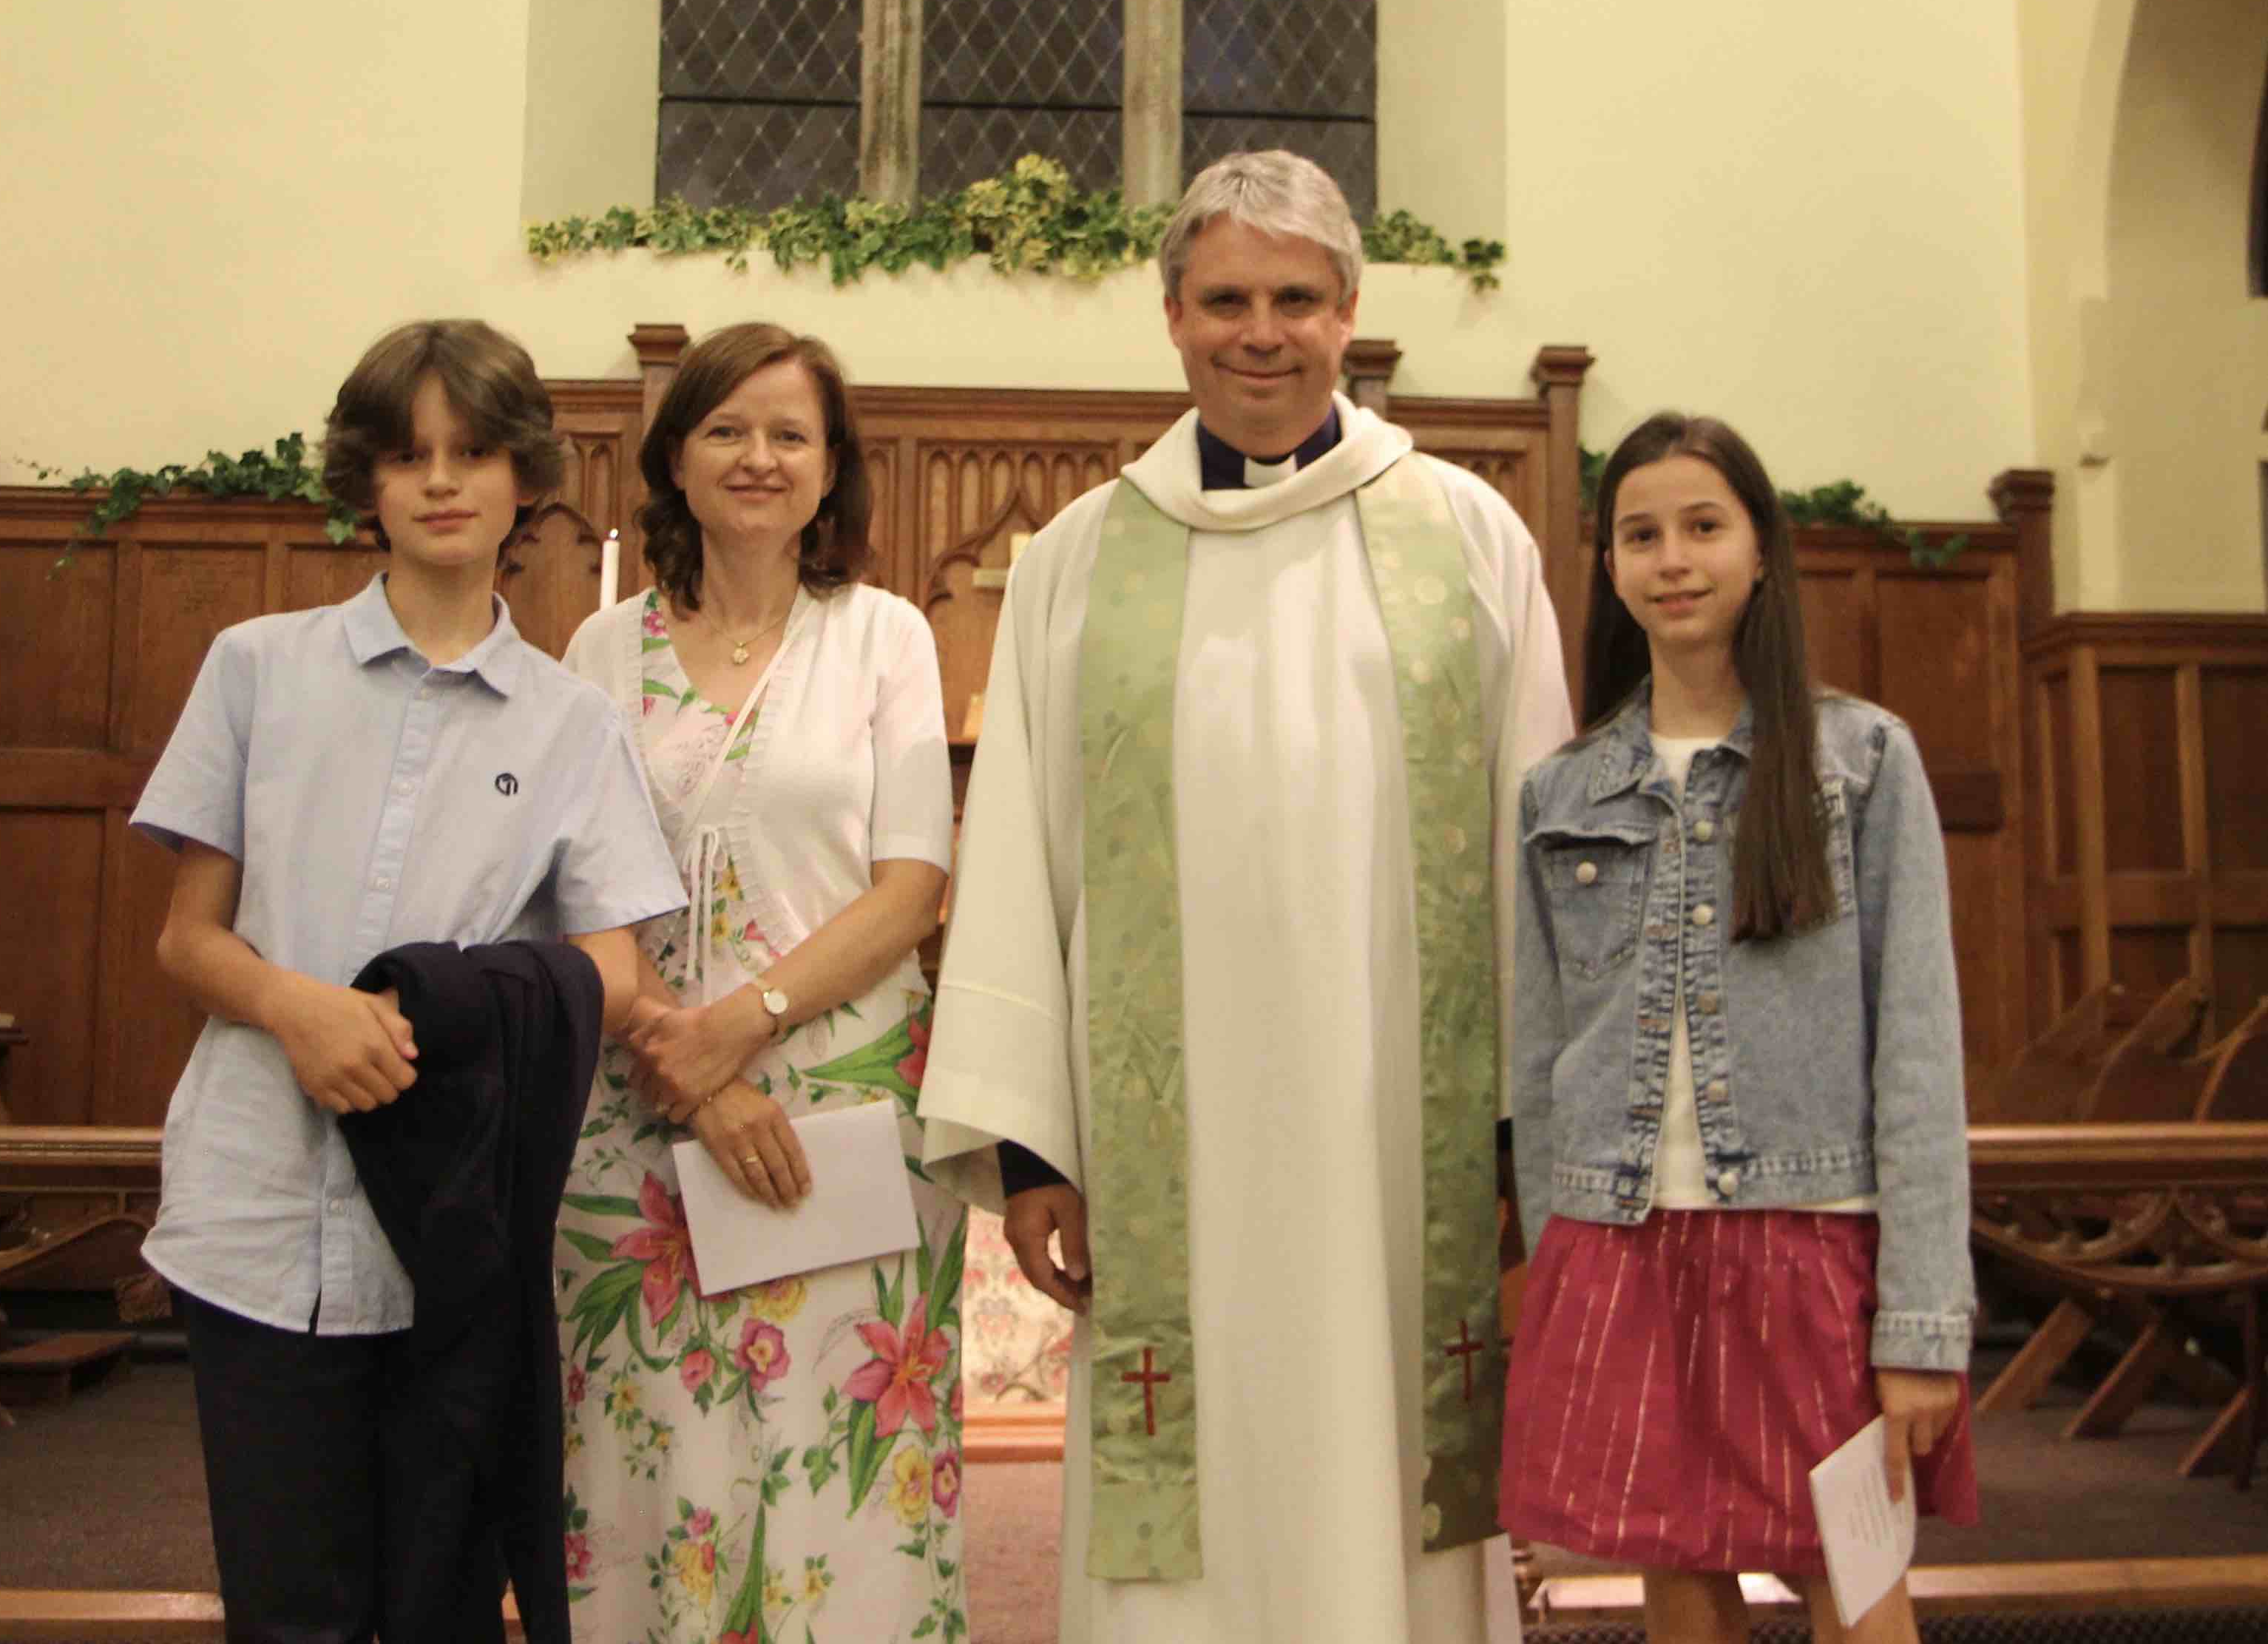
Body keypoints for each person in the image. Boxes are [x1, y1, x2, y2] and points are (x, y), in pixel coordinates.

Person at [916, 150, 1575, 1644]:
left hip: (1402, 1142)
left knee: (1390, 1473)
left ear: (1350, 311)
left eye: (1293, 298)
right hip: (1170, 1156)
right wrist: (1031, 1145)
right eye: (1224, 299)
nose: (1258, 331)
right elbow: (1017, 846)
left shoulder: (1466, 537)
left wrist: (1521, 1136)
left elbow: (1531, 847)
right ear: (1170, 316)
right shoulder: (1082, 560)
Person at [133, 318, 686, 1643]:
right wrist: (299, 1006)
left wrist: (448, 1004)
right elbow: (187, 938)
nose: (442, 480)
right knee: (287, 1610)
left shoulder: (572, 722)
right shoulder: (255, 666)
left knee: (437, 1604)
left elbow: (614, 969)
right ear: (365, 482)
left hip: (446, 1232)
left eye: (476, 451)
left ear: (524, 481)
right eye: (409, 454)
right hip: (255, 1208)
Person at [1499, 413, 1978, 1644]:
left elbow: (1916, 1051)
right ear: (1606, 564)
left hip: (1810, 1239)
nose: (1672, 558)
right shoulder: (1561, 793)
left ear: (1760, 548)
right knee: (1677, 1568)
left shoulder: (1861, 761)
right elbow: (1541, 1048)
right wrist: (1559, 1257)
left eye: (1703, 526)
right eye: (1640, 533)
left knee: (1851, 1576)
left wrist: (1919, 1317)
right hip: (1625, 1234)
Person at [555, 323, 965, 1644]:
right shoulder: (599, 652)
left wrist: (740, 1025)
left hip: (836, 1104)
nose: (757, 456)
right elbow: (568, 888)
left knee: (833, 1454)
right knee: (650, 1457)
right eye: (726, 427)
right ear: (673, 455)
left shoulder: (883, 636)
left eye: (791, 433)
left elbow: (912, 885)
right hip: (635, 1099)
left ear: (832, 466)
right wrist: (678, 1057)